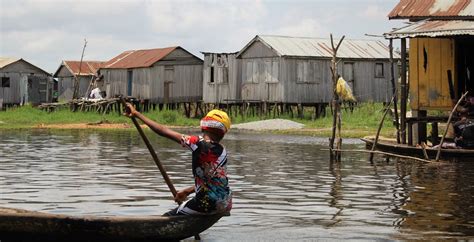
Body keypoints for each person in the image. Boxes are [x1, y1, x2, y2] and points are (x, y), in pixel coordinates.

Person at [124, 104, 232, 215]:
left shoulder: (197, 143)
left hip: (208, 203)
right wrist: (187, 191)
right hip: (225, 202)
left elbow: (163, 131)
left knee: (166, 218)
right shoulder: (223, 151)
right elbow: (214, 181)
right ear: (223, 133)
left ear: (203, 126)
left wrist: (137, 114)